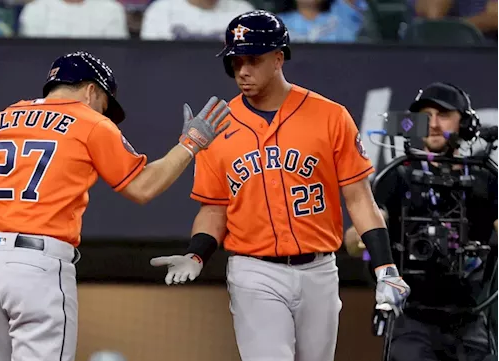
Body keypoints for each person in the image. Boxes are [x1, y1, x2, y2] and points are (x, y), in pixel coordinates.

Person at [0, 51, 231, 361]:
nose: (104, 111)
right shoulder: (92, 123)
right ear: (90, 91)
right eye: (104, 102)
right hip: (39, 268)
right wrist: (190, 144)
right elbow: (143, 187)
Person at [149, 9, 410, 361]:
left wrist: (386, 268)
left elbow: (360, 200)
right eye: (235, 61)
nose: (242, 70)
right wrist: (198, 253)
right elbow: (214, 207)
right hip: (254, 269)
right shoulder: (217, 125)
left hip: (319, 268)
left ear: (278, 58)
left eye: (253, 59)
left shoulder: (330, 115)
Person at [344, 82, 499, 361]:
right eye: (425, 116)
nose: (433, 124)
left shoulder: (485, 179)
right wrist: (364, 238)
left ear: (465, 123)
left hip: (471, 318)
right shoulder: (398, 176)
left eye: (443, 115)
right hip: (411, 319)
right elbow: (354, 242)